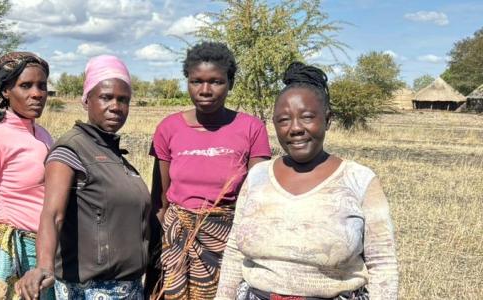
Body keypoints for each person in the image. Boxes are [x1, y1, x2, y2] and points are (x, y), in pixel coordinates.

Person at [215, 62, 399, 300]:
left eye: (307, 117)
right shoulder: (258, 175)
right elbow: (234, 253)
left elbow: (382, 263)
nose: (295, 128)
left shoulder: (359, 179)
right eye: (283, 120)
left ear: (328, 119)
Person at [15, 55, 151, 300]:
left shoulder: (115, 155)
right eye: (106, 97)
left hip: (128, 288)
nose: (116, 106)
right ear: (87, 100)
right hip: (90, 290)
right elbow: (52, 214)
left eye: (124, 100)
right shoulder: (71, 150)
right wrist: (44, 266)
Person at [148, 41, 272, 299]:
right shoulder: (168, 128)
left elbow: (258, 198)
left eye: (215, 82)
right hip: (176, 240)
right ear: (188, 82)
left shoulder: (251, 129)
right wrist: (161, 246)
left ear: (231, 84)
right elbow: (159, 200)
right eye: (196, 81)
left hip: (229, 242)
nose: (205, 90)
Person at [0, 51, 55, 299]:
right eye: (26, 85)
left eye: (42, 86)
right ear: (6, 91)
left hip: (42, 254)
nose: (37, 93)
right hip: (10, 255)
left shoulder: (43, 135)